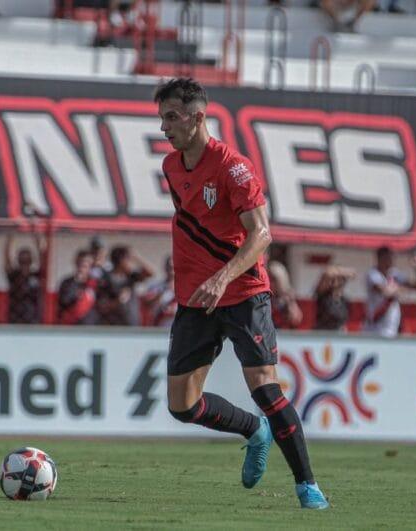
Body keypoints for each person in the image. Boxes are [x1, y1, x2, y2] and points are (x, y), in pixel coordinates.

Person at [156, 77, 328, 510]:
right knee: (182, 406)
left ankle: (307, 486)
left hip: (244, 293)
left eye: (172, 117)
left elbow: (262, 234)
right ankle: (253, 430)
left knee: (265, 388)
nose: (164, 127)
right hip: (196, 299)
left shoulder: (234, 167)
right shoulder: (171, 167)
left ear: (198, 117)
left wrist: (222, 277)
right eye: (162, 118)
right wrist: (202, 279)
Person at [364, 246, 416, 338]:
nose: (392, 260)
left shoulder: (394, 273)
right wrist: (403, 289)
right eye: (388, 257)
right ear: (380, 258)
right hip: (375, 327)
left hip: (392, 327)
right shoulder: (372, 274)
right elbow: (386, 292)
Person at [96, 245, 154, 326]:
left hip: (132, 322)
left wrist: (137, 257)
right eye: (128, 259)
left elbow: (150, 273)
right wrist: (118, 301)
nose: (130, 263)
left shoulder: (131, 276)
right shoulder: (106, 278)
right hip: (114, 324)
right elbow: (102, 306)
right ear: (121, 261)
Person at [3, 222, 46, 324]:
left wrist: (36, 234)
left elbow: (43, 255)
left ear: (31, 260)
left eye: (27, 258)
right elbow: (7, 258)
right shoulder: (14, 275)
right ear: (18, 260)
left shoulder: (36, 275)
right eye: (22, 258)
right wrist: (11, 238)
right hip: (15, 317)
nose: (25, 261)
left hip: (33, 319)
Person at [57, 250, 99, 325]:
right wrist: (76, 281)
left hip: (90, 325)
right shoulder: (67, 283)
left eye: (85, 265)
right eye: (80, 263)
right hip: (71, 324)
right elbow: (63, 301)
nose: (82, 267)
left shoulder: (96, 283)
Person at [314, 265, 355, 331]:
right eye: (334, 279)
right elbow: (328, 273)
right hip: (322, 332)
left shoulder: (344, 300)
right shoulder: (324, 295)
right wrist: (341, 272)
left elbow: (343, 322)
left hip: (337, 333)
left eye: (339, 279)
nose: (336, 280)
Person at [141, 256, 177, 327]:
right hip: (160, 326)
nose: (171, 270)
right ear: (165, 267)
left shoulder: (185, 288)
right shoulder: (156, 286)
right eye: (169, 267)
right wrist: (159, 295)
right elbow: (146, 303)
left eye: (174, 267)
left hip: (177, 326)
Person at [268, 260, 303, 329]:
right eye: (269, 279)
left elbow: (296, 319)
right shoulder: (265, 295)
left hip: (283, 331)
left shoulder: (288, 296)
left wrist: (290, 307)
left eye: (273, 280)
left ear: (281, 280)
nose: (270, 283)